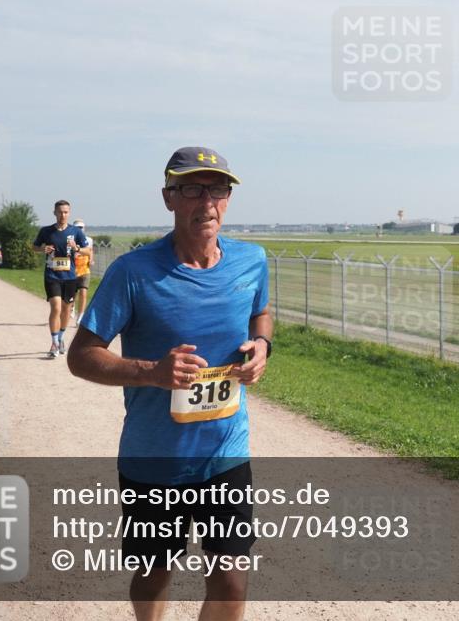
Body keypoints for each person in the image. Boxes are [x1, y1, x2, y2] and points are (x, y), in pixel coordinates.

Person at [67, 147, 271, 621]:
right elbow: (81, 357)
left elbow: (261, 311)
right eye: (191, 189)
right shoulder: (133, 273)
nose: (207, 202)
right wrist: (151, 373)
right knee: (155, 572)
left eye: (218, 189)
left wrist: (262, 345)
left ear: (229, 198)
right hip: (153, 458)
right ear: (169, 198)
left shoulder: (250, 261)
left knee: (231, 578)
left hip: (226, 451)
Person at [33, 201, 91, 358]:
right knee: (56, 307)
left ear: (69, 213)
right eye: (60, 212)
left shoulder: (75, 232)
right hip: (52, 275)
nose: (62, 215)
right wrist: (42, 249)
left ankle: (61, 337)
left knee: (66, 310)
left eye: (65, 212)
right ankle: (54, 343)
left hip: (70, 277)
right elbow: (34, 247)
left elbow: (87, 250)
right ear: (54, 213)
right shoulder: (46, 231)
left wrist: (77, 248)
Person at [71, 220, 91, 326]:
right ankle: (72, 307)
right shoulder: (70, 240)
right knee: (72, 294)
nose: (80, 229)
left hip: (85, 270)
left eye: (81, 227)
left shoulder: (89, 240)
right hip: (73, 271)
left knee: (83, 293)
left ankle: (80, 316)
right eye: (77, 227)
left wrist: (91, 260)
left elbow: (90, 251)